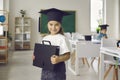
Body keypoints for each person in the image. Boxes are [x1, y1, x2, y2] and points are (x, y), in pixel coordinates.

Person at [33, 8, 71, 80]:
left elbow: (67, 55)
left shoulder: (62, 39)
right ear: (47, 24)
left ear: (60, 25)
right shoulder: (45, 38)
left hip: (58, 71)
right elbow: (42, 53)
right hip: (45, 70)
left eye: (56, 25)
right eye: (51, 24)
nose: (53, 27)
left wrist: (59, 59)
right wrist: (36, 57)